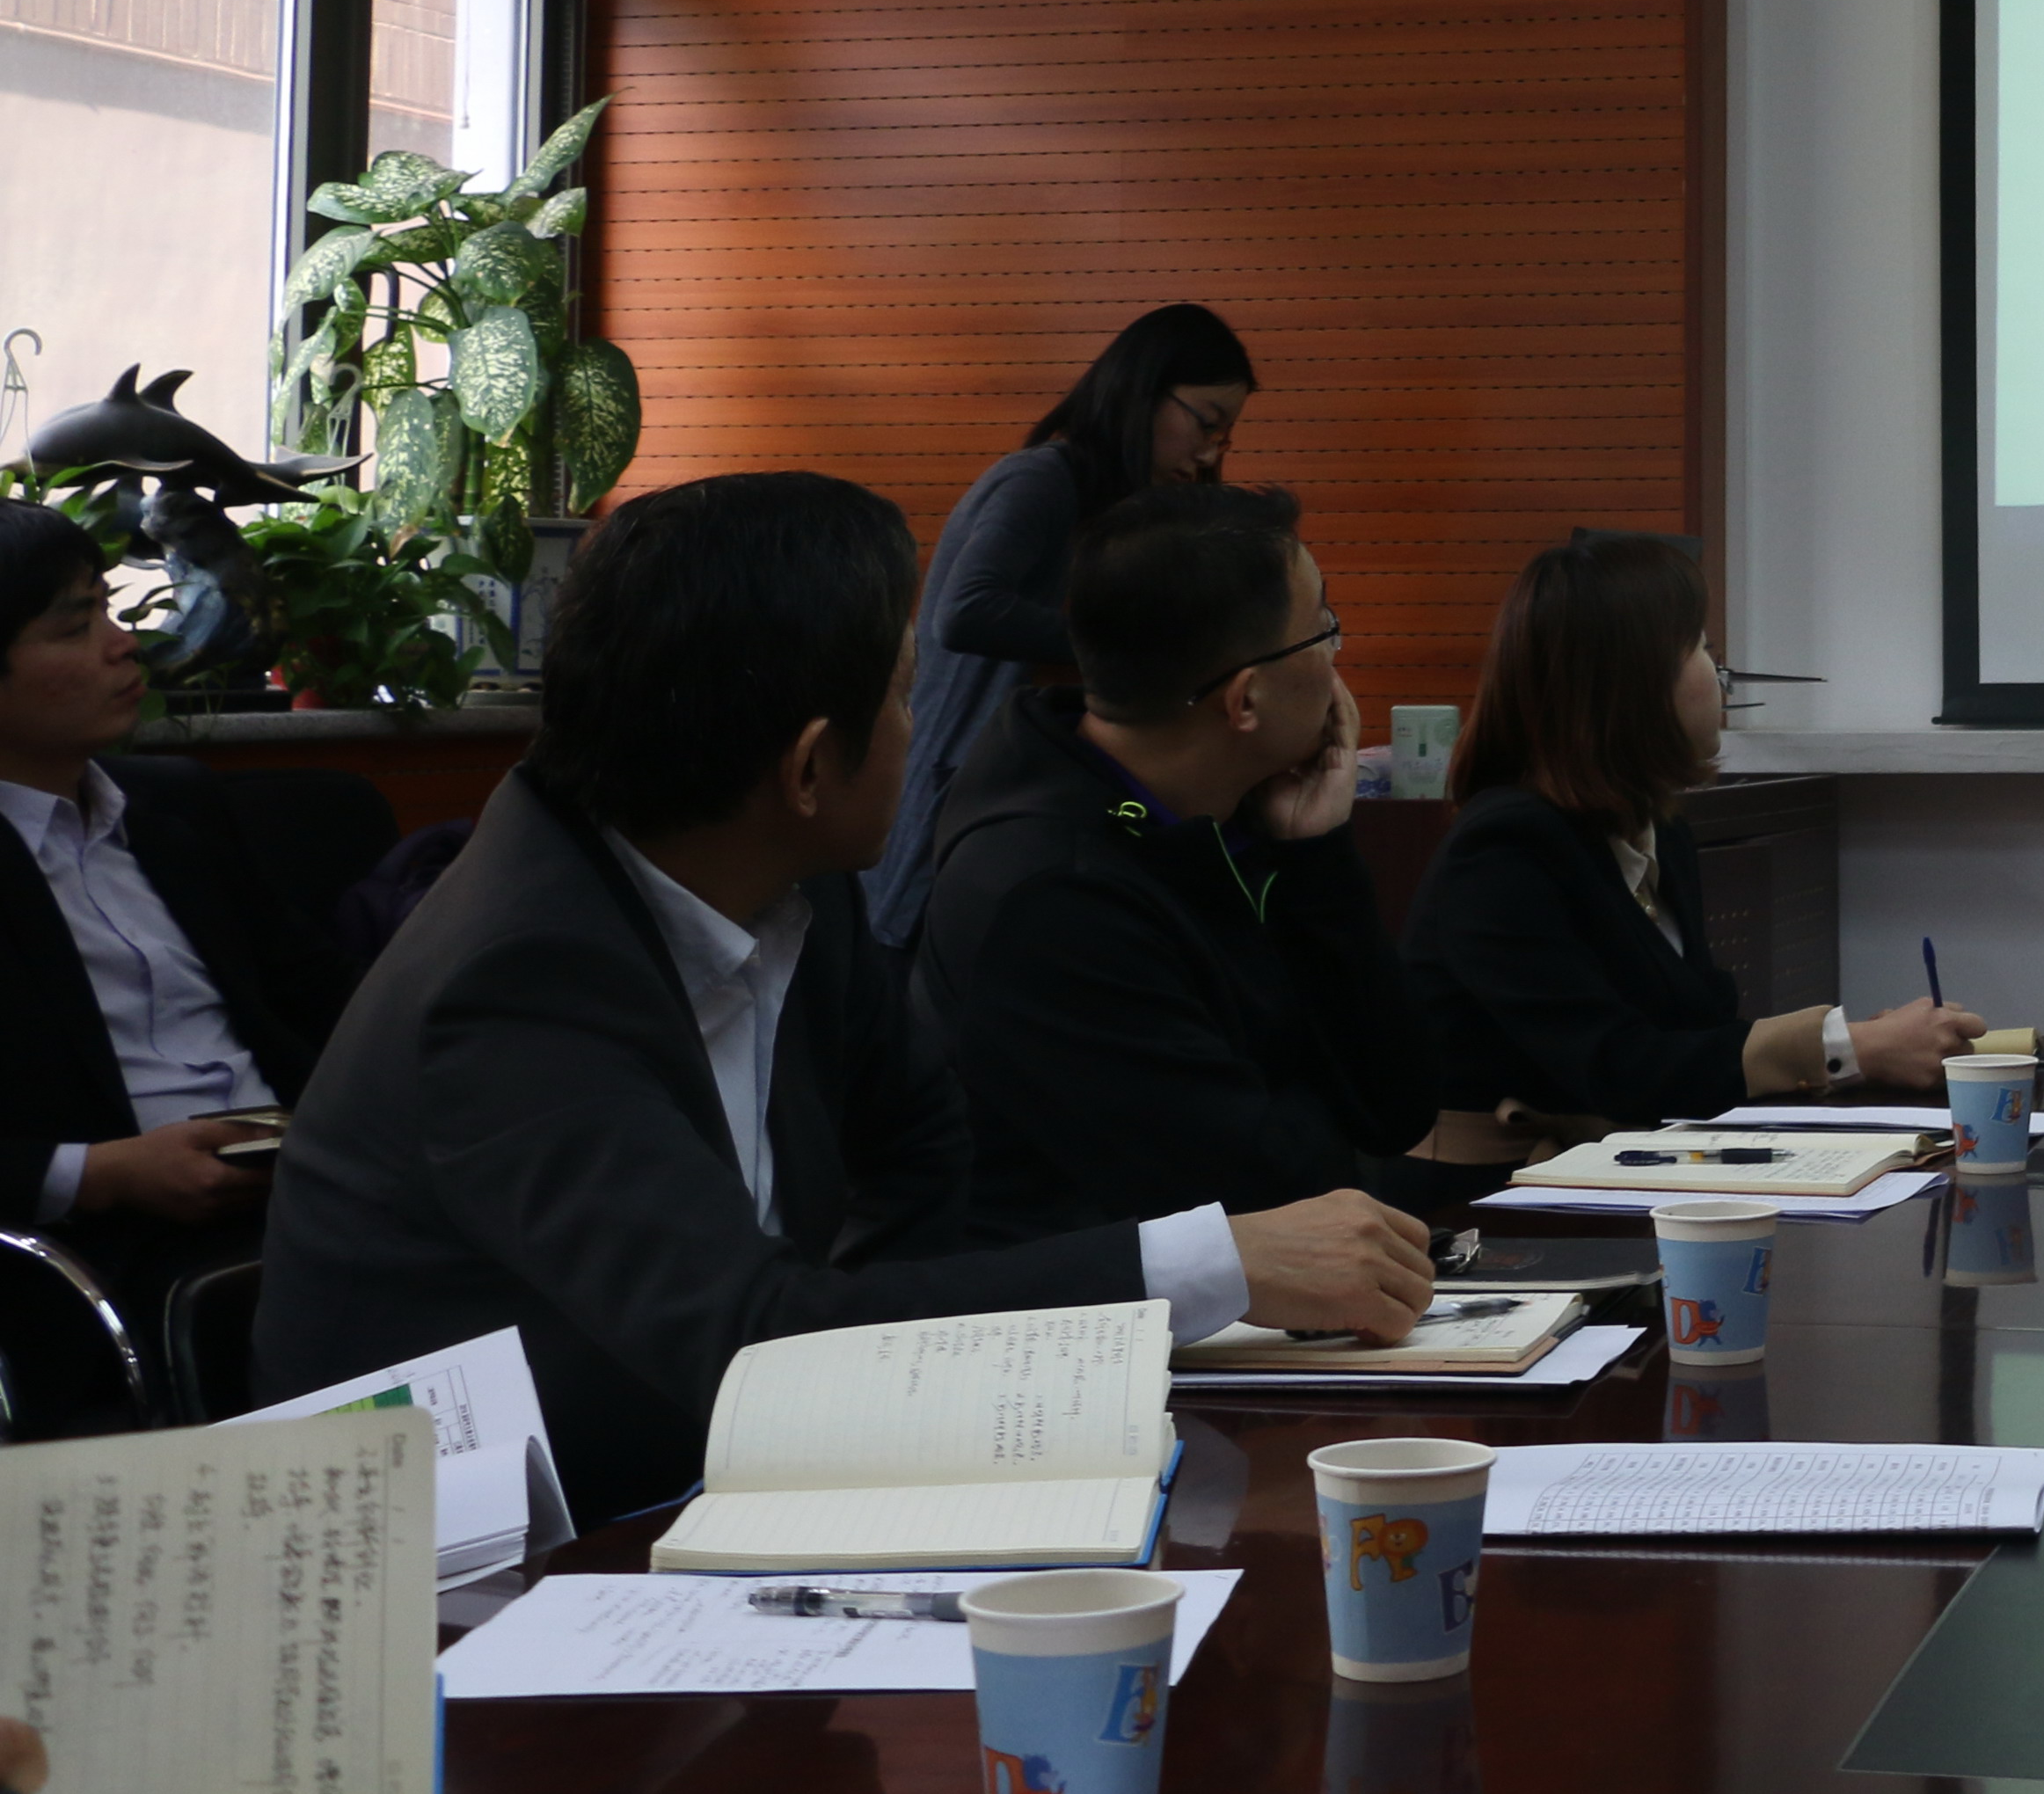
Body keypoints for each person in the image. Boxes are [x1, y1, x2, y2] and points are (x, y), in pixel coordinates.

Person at [255, 472, 1427, 1523]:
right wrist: (1207, 1260)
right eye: (906, 695)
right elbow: (748, 1335)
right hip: (463, 1574)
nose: (923, 738)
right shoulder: (515, 979)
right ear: (812, 766)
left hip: (713, 1493)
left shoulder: (787, 883)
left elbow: (923, 1148)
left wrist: (879, 1355)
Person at [919, 482, 1475, 1237]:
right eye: (1323, 630)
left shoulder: (1226, 808)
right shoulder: (1050, 893)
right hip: (1111, 1304)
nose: (1335, 659)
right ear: (1244, 700)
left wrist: (1317, 856)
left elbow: (1394, 1107)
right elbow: (1268, 1186)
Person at [1404, 532, 1982, 1134]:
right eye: (1703, 648)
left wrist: (1859, 1047)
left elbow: (1698, 1038)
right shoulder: (1504, 849)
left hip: (1632, 1164)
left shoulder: (1658, 829)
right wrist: (1847, 1047)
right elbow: (1613, 1066)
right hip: (1502, 1183)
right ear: (1631, 681)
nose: (1721, 677)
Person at [0, 503, 351, 1331]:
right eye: (75, 626)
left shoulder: (177, 806)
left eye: (108, 610)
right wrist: (99, 1173)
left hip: (308, 1189)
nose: (122, 643)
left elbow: (322, 993)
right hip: (105, 1257)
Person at [872, 303, 1255, 945]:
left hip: (1033, 796)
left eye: (1227, 437)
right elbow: (964, 611)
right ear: (1142, 391)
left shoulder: (1127, 513)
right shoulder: (1041, 479)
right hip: (960, 793)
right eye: (1207, 422)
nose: (1210, 451)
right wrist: (1128, 648)